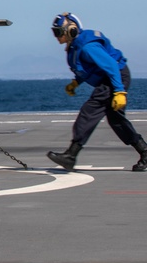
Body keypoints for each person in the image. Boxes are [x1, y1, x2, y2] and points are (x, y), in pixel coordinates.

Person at [46, 13, 147, 172]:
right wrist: (76, 82)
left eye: (58, 32)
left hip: (115, 77)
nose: (56, 36)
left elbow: (112, 66)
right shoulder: (76, 45)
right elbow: (89, 69)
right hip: (112, 78)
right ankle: (145, 152)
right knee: (116, 120)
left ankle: (71, 156)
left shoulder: (87, 47)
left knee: (89, 111)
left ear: (71, 30)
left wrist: (120, 91)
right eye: (54, 32)